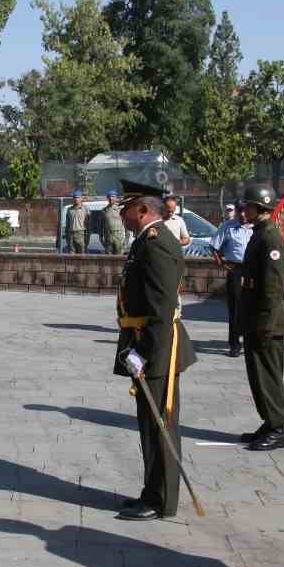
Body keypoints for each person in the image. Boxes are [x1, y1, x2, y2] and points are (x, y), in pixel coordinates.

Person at [113, 181, 196, 521]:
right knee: (149, 423)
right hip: (146, 341)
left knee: (159, 423)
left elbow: (161, 308)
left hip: (158, 347)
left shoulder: (157, 242)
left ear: (142, 210)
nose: (121, 214)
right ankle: (152, 490)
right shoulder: (145, 241)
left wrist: (143, 352)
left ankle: (162, 499)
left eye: (126, 208)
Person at [237, 183, 284, 451]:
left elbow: (273, 286)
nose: (243, 211)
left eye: (247, 206)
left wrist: (266, 324)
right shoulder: (260, 234)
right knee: (258, 376)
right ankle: (269, 422)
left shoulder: (271, 237)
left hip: (266, 321)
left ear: (260, 207)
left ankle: (278, 427)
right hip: (256, 318)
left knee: (268, 376)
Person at [210, 202, 253, 356]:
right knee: (235, 307)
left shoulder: (256, 227)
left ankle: (250, 341)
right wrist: (222, 263)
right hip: (235, 268)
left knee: (251, 307)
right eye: (240, 211)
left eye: (245, 211)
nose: (242, 214)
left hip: (253, 270)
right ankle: (234, 343)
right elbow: (214, 247)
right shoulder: (228, 226)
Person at [101, 191, 127, 255]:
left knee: (119, 259)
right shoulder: (104, 211)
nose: (111, 198)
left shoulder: (120, 210)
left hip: (119, 238)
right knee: (108, 260)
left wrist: (126, 241)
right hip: (108, 238)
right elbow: (101, 226)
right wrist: (101, 240)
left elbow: (126, 226)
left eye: (112, 196)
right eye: (109, 197)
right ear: (107, 198)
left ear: (116, 198)